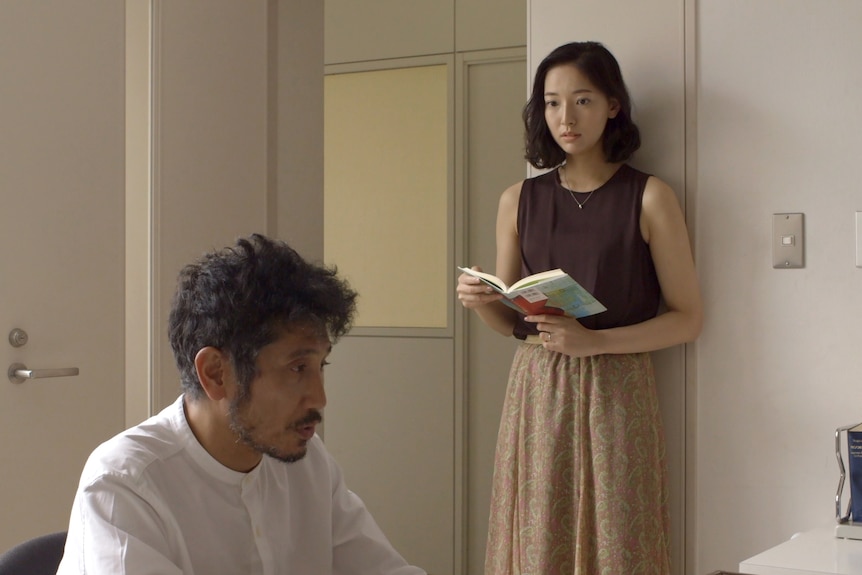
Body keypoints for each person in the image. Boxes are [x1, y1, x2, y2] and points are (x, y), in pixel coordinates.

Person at [456, 41, 702, 574]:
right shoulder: (518, 198)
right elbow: (512, 322)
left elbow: (688, 318)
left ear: (613, 105)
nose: (565, 118)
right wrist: (481, 302)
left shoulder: (650, 196)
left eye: (583, 100)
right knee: (538, 534)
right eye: (551, 102)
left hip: (618, 387)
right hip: (537, 386)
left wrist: (597, 343)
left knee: (618, 536)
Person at [57, 234, 426, 575]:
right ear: (216, 373)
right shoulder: (124, 484)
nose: (320, 398)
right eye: (297, 368)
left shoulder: (307, 461)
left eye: (321, 365)